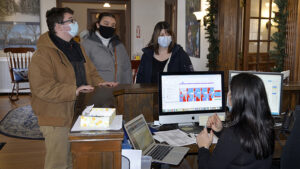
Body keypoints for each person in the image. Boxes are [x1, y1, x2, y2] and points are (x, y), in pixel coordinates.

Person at [28, 7, 117, 169]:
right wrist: (73, 90)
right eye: (71, 20)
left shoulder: (76, 47)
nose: (76, 23)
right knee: (59, 162)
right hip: (56, 116)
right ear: (59, 25)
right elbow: (42, 88)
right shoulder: (43, 54)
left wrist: (100, 82)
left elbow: (90, 71)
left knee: (76, 158)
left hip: (78, 110)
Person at [196, 73, 275, 169]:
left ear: (235, 99)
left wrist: (203, 147)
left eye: (229, 91)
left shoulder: (232, 136)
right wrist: (221, 131)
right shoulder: (267, 127)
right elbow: (241, 147)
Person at [81, 13, 132, 84]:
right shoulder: (87, 44)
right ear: (98, 25)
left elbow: (127, 68)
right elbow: (84, 70)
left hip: (119, 89)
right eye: (106, 24)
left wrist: (128, 86)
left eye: (113, 25)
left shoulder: (119, 45)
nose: (109, 27)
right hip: (98, 89)